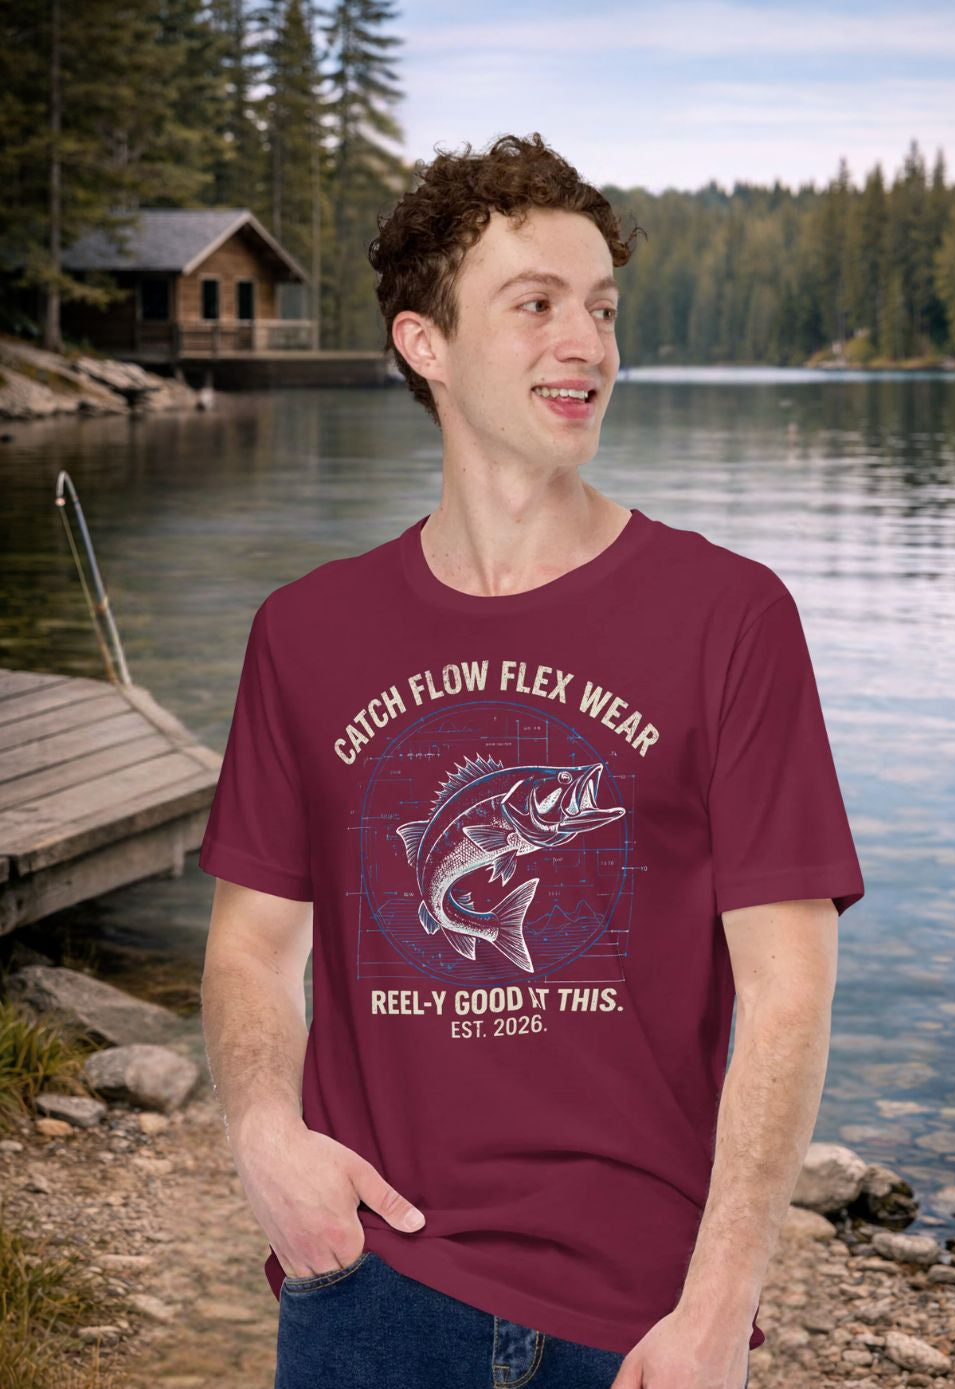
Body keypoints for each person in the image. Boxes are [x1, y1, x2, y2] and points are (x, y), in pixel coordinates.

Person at [198, 131, 865, 1389]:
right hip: (371, 1279)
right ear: (425, 344)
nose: (588, 345)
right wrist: (265, 1138)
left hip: (641, 1312)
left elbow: (787, 990)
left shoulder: (728, 616)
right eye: (536, 305)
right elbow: (251, 947)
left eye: (602, 309)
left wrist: (719, 1305)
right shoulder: (305, 632)